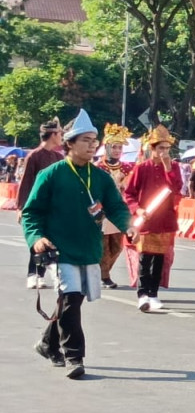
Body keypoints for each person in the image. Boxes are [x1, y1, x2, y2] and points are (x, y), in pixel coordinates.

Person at [25, 110, 135, 379]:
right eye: (86, 140)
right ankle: (74, 356)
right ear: (70, 143)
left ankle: (47, 342)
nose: (92, 145)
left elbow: (116, 206)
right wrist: (36, 237)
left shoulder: (100, 178)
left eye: (94, 141)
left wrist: (128, 225)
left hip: (89, 248)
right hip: (60, 249)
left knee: (71, 299)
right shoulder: (52, 174)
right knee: (71, 297)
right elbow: (32, 212)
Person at [123, 125, 182, 312]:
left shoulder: (174, 167)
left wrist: (168, 169)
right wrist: (137, 209)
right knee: (145, 258)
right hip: (146, 220)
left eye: (167, 149)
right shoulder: (141, 168)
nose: (164, 152)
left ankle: (154, 294)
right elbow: (129, 194)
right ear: (152, 149)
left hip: (165, 221)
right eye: (160, 148)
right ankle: (142, 294)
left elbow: (177, 188)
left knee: (159, 259)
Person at [17, 118, 64, 289]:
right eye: (59, 133)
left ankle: (42, 273)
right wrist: (21, 207)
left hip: (55, 207)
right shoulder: (34, 156)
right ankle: (33, 274)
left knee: (52, 241)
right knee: (37, 239)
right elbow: (26, 182)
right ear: (52, 135)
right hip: (37, 206)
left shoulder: (59, 157)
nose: (61, 136)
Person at [95, 124, 134, 289]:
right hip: (102, 211)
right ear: (106, 147)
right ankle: (104, 276)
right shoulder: (98, 167)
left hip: (119, 211)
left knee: (117, 246)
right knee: (103, 246)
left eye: (120, 148)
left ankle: (102, 272)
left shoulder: (128, 168)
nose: (117, 150)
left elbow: (132, 189)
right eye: (114, 147)